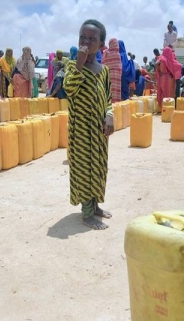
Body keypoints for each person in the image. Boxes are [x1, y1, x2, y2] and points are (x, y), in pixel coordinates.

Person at [63, 19, 114, 230]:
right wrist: (79, 64)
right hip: (81, 132)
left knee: (99, 167)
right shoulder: (72, 67)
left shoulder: (104, 71)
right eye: (82, 37)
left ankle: (95, 205)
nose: (86, 41)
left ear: (101, 45)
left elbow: (109, 99)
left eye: (91, 39)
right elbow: (69, 89)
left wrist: (109, 115)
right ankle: (86, 213)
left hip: (99, 131)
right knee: (84, 168)